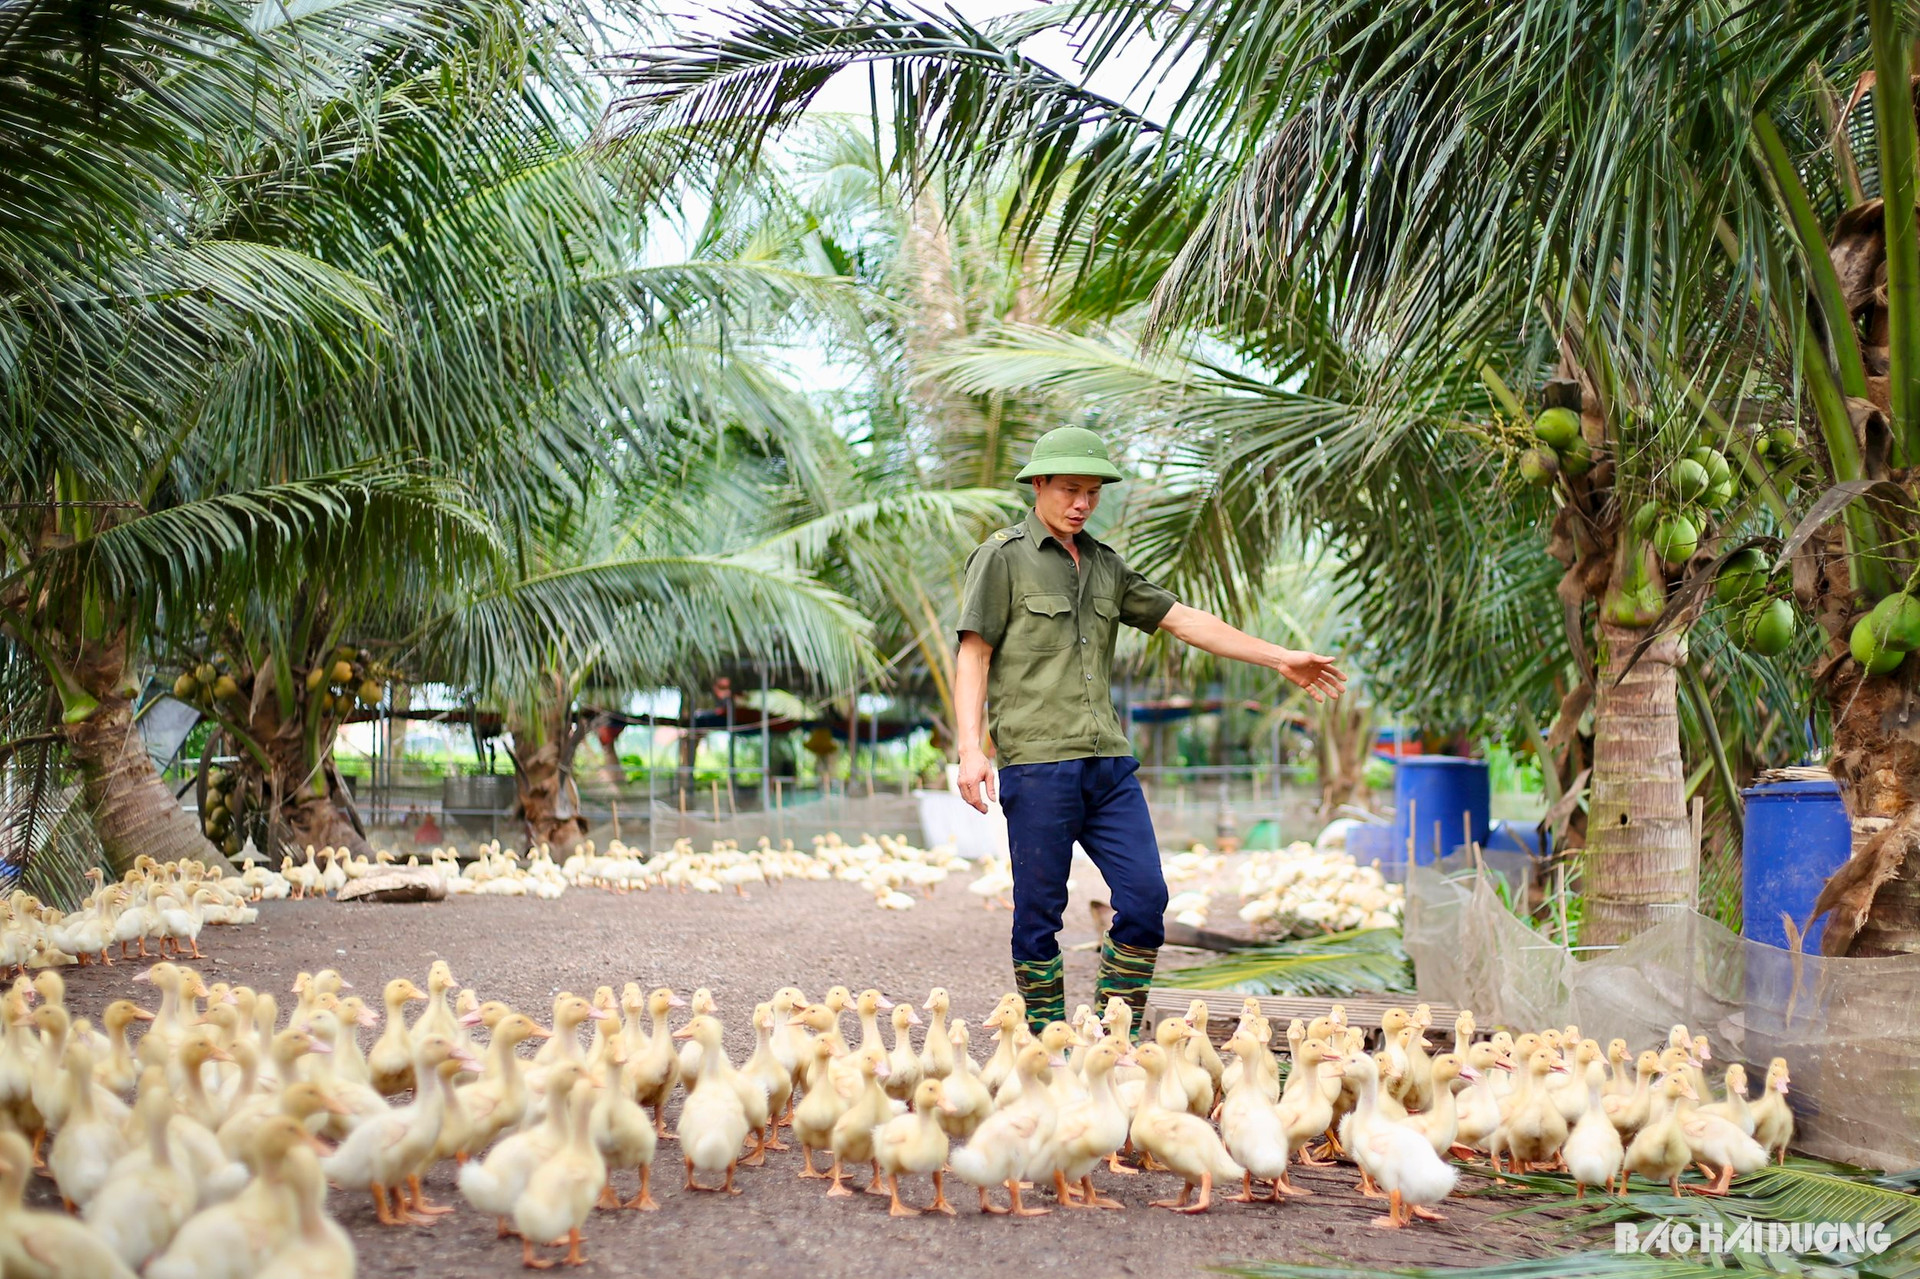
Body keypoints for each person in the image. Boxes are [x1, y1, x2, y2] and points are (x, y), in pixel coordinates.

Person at [955, 426, 1347, 1034]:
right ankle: (1043, 1044)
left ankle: (1118, 1034)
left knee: (1146, 899)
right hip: (1038, 766)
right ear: (1038, 486)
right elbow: (974, 654)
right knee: (1038, 915)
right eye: (1068, 490)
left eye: (1091, 492)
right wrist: (969, 750)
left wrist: (1279, 657)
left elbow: (1185, 620)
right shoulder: (1002, 558)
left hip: (1108, 766)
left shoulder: (1108, 567)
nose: (1081, 503)